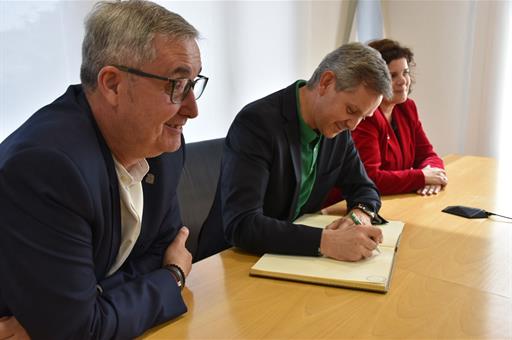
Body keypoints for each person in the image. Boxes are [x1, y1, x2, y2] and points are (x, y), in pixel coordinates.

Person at [0, 1, 208, 338]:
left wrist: (92, 300)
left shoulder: (163, 147)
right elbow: (81, 332)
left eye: (194, 84)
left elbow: (159, 251)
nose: (192, 109)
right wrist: (173, 278)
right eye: (176, 85)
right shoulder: (46, 167)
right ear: (112, 84)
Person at [196, 43, 392, 262]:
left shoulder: (338, 128)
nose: (354, 125)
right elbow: (242, 224)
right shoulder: (256, 123)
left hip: (288, 255)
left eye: (364, 117)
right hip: (229, 260)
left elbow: (365, 188)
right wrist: (327, 242)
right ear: (326, 83)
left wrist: (360, 215)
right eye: (351, 110)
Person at [351, 39, 447, 196]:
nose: (403, 81)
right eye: (393, 75)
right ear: (372, 80)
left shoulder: (407, 108)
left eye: (405, 72)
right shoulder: (366, 116)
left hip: (393, 200)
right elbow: (371, 178)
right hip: (352, 207)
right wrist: (422, 177)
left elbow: (427, 155)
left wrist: (433, 174)